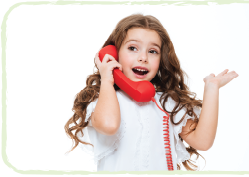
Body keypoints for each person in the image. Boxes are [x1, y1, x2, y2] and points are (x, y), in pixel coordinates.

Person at [64, 14, 239, 171]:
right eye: (133, 48)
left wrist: (212, 88)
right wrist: (108, 79)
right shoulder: (103, 99)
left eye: (152, 51)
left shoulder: (167, 103)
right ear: (114, 54)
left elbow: (202, 141)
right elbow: (109, 125)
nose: (143, 57)